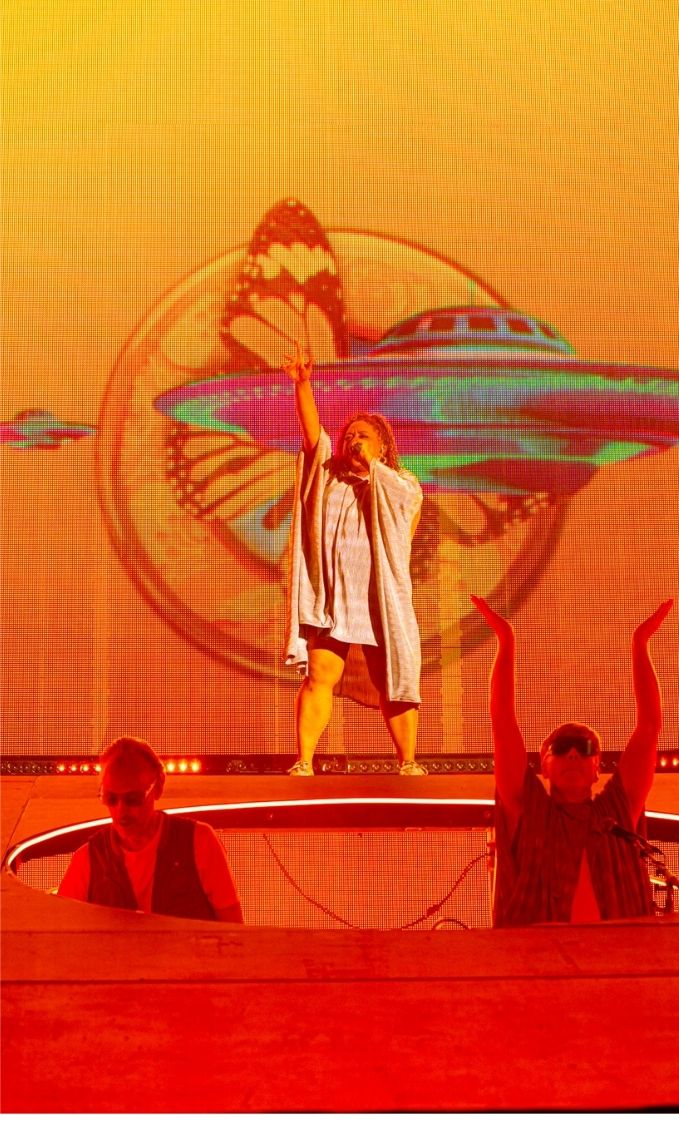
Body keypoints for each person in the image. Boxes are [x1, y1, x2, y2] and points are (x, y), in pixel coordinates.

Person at [470, 594, 674, 925]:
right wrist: (506, 640)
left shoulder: (616, 815)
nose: (574, 754)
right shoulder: (529, 810)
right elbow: (502, 721)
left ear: (597, 769)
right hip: (538, 953)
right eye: (562, 747)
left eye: (585, 747)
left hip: (621, 952)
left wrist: (640, 643)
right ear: (544, 765)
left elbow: (649, 726)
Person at [283, 341, 425, 776]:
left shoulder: (401, 482)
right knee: (320, 672)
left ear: (382, 445)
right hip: (334, 599)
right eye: (349, 436)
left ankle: (408, 762)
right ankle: (304, 760)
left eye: (362, 436)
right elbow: (314, 436)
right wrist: (303, 385)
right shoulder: (329, 476)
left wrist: (374, 469)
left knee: (392, 678)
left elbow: (404, 517)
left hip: (378, 600)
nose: (352, 440)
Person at [57, 737, 244, 922]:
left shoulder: (200, 842)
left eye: (133, 799)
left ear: (158, 787)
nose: (121, 810)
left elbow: (234, 929)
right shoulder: (87, 860)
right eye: (111, 798)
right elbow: (58, 931)